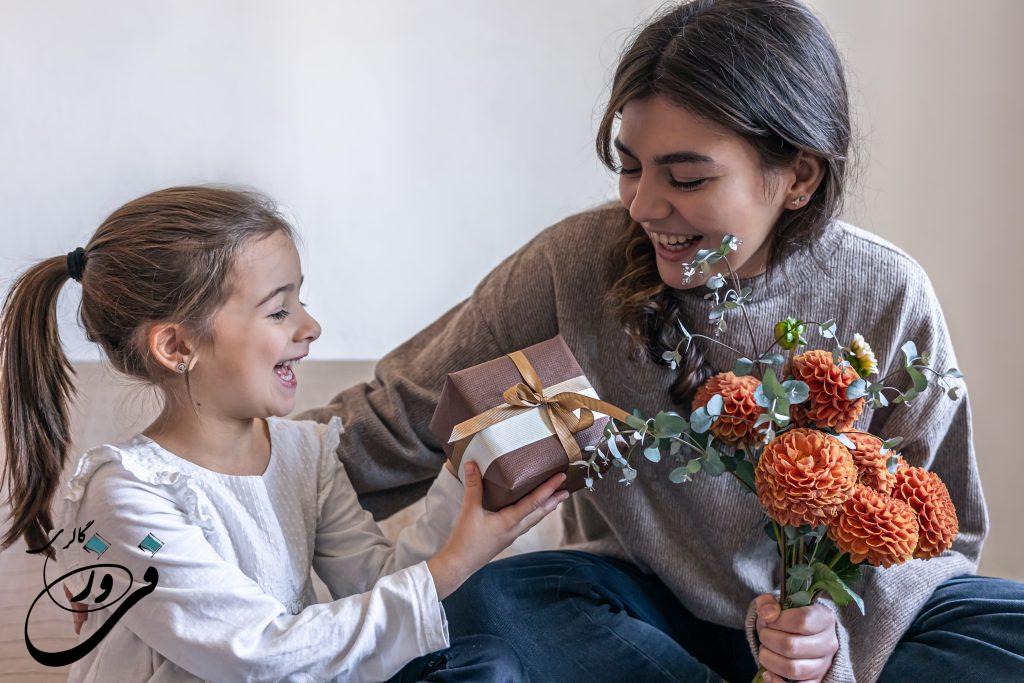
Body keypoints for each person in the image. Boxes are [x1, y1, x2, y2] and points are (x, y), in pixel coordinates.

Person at [299, 1, 1024, 681]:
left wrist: (829, 638)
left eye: (687, 177)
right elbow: (396, 418)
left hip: (827, 635)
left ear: (797, 175)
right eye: (629, 166)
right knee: (490, 599)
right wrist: (239, 467)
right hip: (640, 617)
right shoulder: (571, 266)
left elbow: (942, 529)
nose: (643, 205)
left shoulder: (888, 290)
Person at [0, 186, 567, 682]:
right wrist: (452, 566)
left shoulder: (304, 451)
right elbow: (254, 654)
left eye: (302, 300)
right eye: (278, 311)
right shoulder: (126, 495)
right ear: (177, 346)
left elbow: (374, 586)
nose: (310, 326)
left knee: (487, 664)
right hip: (266, 671)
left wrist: (466, 485)